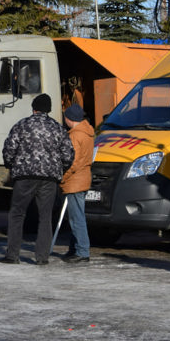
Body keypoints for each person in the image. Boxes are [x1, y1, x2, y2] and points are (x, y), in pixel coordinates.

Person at [0, 94, 75, 265]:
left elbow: (9, 149)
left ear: (34, 108)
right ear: (48, 109)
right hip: (49, 178)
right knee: (45, 216)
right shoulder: (58, 128)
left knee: (17, 214)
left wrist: (11, 166)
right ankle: (42, 257)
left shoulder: (22, 125)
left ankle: (12, 255)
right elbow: (68, 154)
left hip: (24, 176)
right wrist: (59, 169)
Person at [60, 104, 94, 263]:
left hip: (75, 181)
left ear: (69, 119)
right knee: (76, 216)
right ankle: (75, 249)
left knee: (76, 218)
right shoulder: (87, 133)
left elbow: (73, 162)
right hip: (84, 177)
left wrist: (63, 177)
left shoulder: (75, 135)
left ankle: (82, 251)